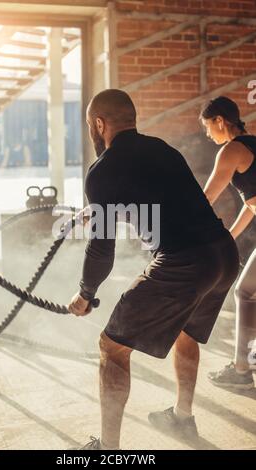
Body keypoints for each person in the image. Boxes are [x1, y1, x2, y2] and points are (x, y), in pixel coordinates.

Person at [68, 89, 239, 450]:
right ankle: (183, 418)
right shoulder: (162, 149)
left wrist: (86, 293)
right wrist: (100, 209)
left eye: (91, 127)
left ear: (99, 124)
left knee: (111, 346)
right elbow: (161, 202)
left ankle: (107, 450)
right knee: (186, 332)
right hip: (223, 254)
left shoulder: (102, 169)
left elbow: (102, 248)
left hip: (185, 261)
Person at [201, 96, 256, 389]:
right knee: (246, 291)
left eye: (209, 127)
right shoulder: (253, 144)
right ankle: (242, 367)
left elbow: (206, 198)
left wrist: (182, 228)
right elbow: (251, 204)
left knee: (246, 292)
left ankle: (243, 369)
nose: (208, 135)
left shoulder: (231, 150)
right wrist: (229, 237)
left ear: (220, 121)